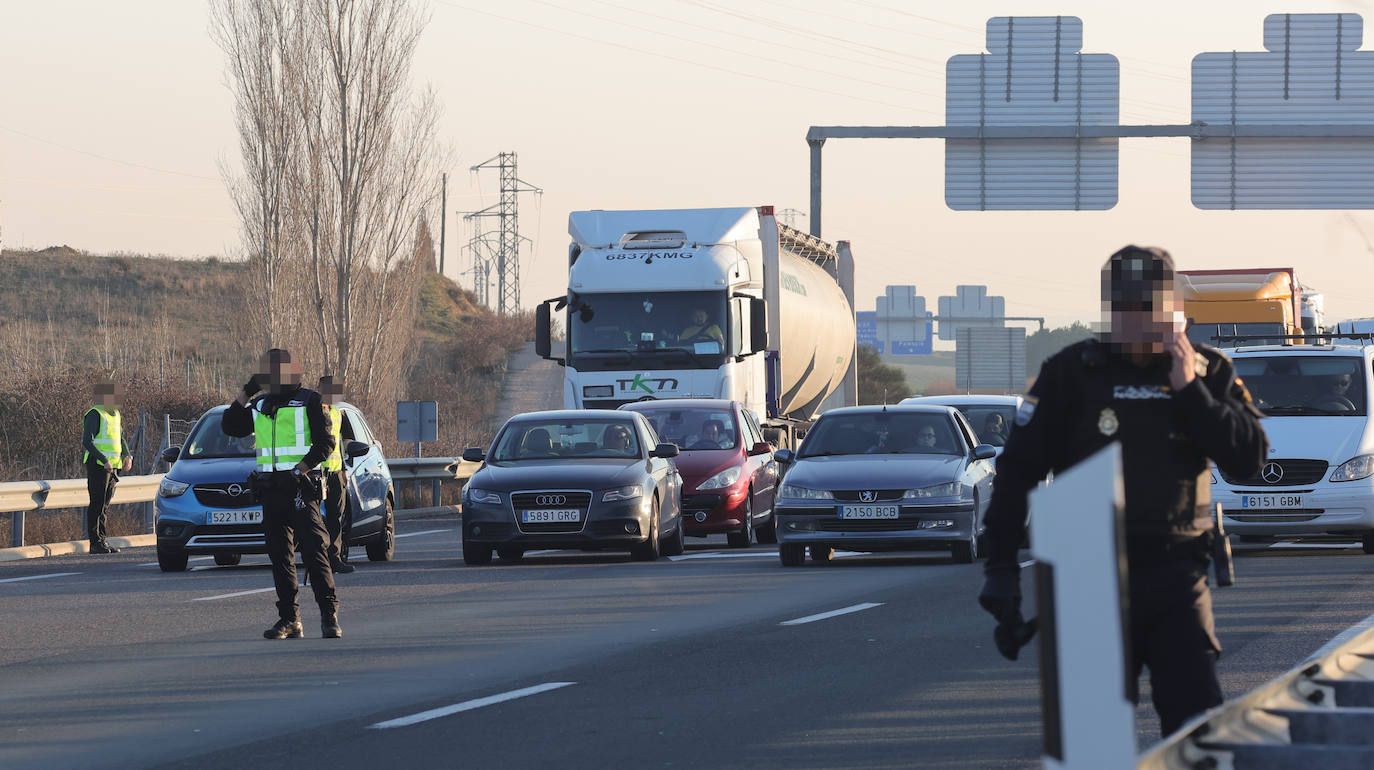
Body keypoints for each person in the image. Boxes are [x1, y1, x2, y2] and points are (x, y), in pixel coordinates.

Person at [977, 246, 1268, 737]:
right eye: (1125, 310)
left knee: (1198, 733)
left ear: (1172, 308)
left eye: (1148, 309)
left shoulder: (1208, 370)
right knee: (1091, 743)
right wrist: (1001, 569)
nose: (1137, 323)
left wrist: (1190, 390)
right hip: (1088, 580)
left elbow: (1250, 460)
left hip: (1176, 575)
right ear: (1110, 312)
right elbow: (1018, 472)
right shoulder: (1072, 374)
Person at [222, 349, 340, 640]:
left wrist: (300, 470)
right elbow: (230, 426)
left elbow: (326, 443)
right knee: (280, 558)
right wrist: (247, 392)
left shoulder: (310, 400)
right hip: (271, 491)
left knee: (314, 552)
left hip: (300, 489)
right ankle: (290, 620)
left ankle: (329, 616)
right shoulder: (261, 404)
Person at [82, 381, 133, 554]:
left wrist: (127, 455)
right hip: (98, 465)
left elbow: (121, 437)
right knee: (96, 504)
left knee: (105, 505)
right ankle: (95, 542)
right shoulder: (95, 414)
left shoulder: (115, 414)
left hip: (113, 467)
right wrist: (103, 459)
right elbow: (87, 441)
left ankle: (102, 540)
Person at [318, 376, 353, 574]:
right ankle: (318, 559)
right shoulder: (311, 410)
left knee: (335, 518)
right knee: (314, 519)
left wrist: (344, 469)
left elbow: (343, 442)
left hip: (335, 473)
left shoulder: (338, 412)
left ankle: (335, 559)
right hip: (315, 472)